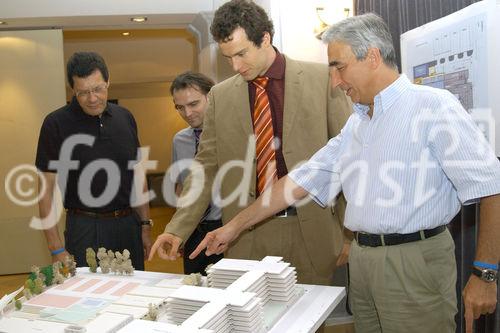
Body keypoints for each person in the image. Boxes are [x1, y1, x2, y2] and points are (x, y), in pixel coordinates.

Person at [190, 13, 500, 333]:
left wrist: (485, 273)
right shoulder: (358, 121)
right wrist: (233, 227)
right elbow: (300, 179)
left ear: (373, 57)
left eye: (339, 66)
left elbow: (492, 187)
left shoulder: (434, 107)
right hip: (363, 264)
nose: (335, 81)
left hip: (412, 263)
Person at [150, 0, 352, 285]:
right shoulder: (221, 97)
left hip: (311, 232)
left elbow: (348, 161)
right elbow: (204, 169)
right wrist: (177, 228)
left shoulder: (321, 80)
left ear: (265, 39)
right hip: (246, 237)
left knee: (308, 325)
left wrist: (348, 235)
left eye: (242, 54)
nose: (235, 65)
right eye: (228, 57)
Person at [36, 51, 152, 270]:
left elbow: (138, 177)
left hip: (128, 225)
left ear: (108, 82)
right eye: (83, 92)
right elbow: (45, 191)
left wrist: (145, 226)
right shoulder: (55, 124)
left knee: (131, 293)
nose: (92, 99)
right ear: (73, 90)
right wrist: (56, 248)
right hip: (84, 227)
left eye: (98, 89)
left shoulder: (125, 117)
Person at [169, 71, 223, 274]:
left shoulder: (234, 135)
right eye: (180, 107)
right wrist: (181, 230)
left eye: (193, 104)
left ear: (211, 97)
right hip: (194, 231)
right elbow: (182, 187)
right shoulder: (178, 140)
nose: (187, 113)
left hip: (226, 230)